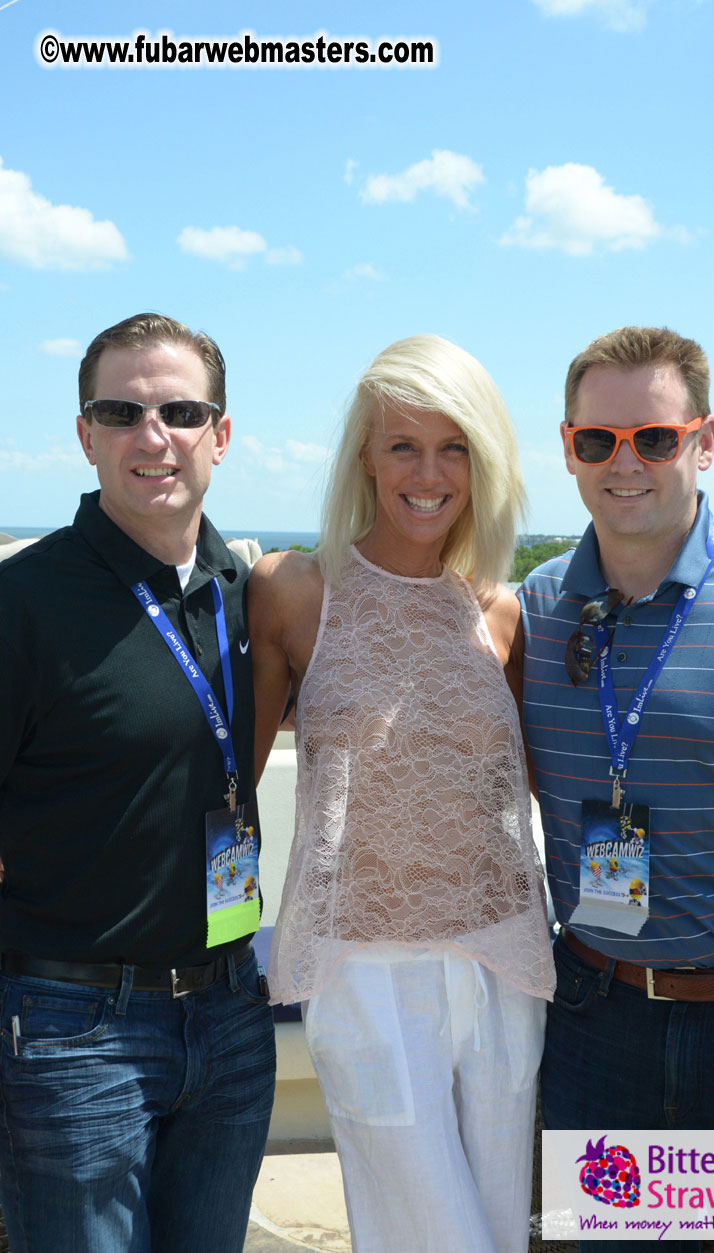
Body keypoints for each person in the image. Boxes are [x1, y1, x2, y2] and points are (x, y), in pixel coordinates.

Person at [517, 326, 714, 1253]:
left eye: (654, 438)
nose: (625, 463)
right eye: (597, 440)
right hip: (596, 1018)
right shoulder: (536, 609)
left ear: (704, 440)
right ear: (568, 445)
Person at [248, 334, 555, 1252]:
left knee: (500, 1228)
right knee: (430, 1236)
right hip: (360, 968)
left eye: (453, 446)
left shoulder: (503, 608)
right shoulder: (295, 591)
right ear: (364, 458)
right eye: (403, 446)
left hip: (502, 958)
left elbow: (558, 774)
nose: (429, 472)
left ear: (485, 461)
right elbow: (219, 772)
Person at [0, 313, 276, 1252]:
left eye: (180, 410)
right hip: (77, 1028)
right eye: (121, 411)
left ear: (221, 435)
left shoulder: (250, 590)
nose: (152, 436)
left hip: (234, 1011)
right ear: (85, 435)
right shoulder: (22, 603)